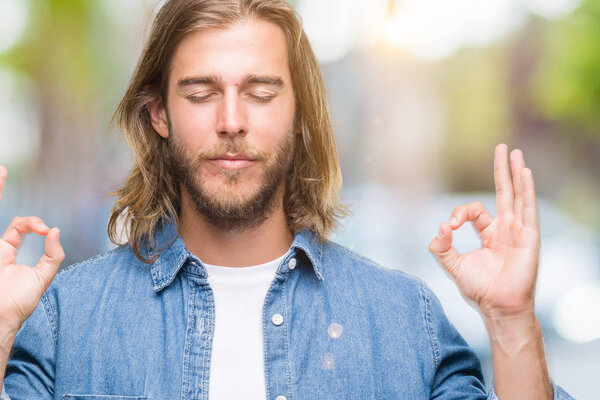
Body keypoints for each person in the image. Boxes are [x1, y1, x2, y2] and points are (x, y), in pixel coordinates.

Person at [0, 0, 574, 399]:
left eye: (261, 92)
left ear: (298, 117)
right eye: (201, 94)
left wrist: (510, 319)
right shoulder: (66, 319)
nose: (231, 121)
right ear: (160, 116)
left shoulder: (405, 321)